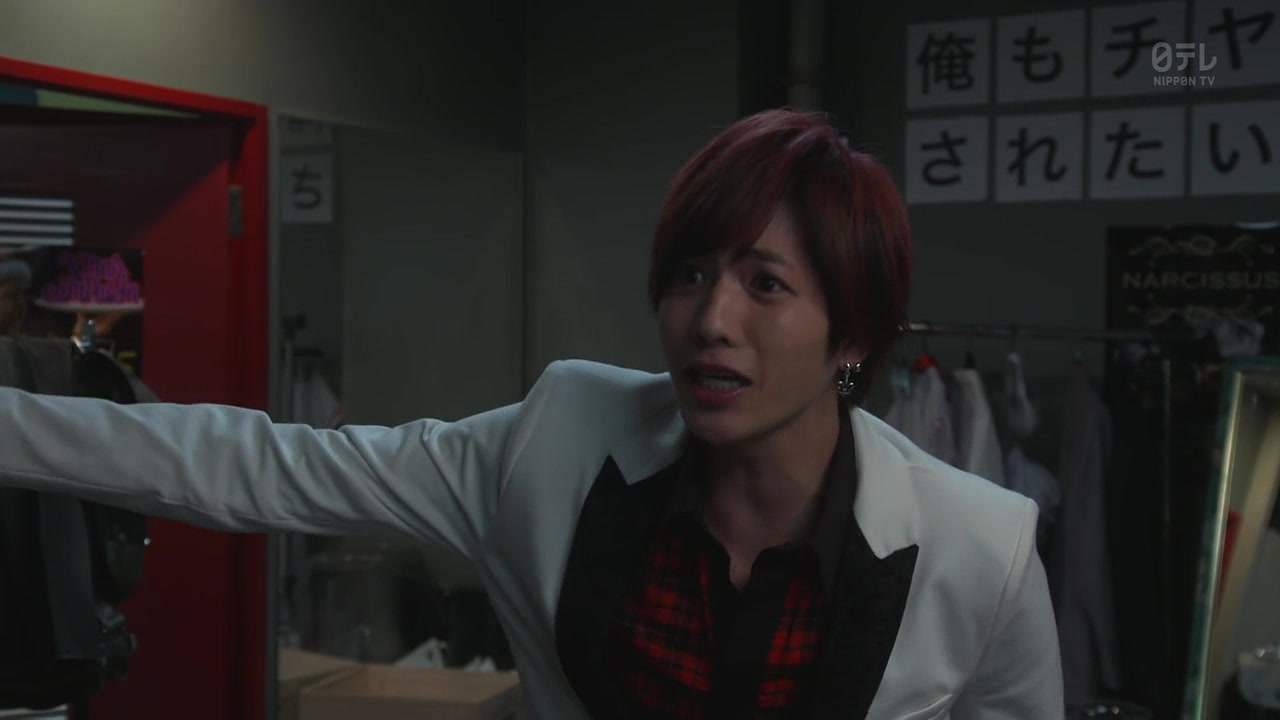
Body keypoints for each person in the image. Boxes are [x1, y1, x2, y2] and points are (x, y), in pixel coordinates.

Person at [0, 110, 1062, 718]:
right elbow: (259, 464)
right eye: (690, 275)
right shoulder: (556, 442)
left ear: (853, 334)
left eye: (764, 285)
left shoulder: (978, 549)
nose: (710, 321)